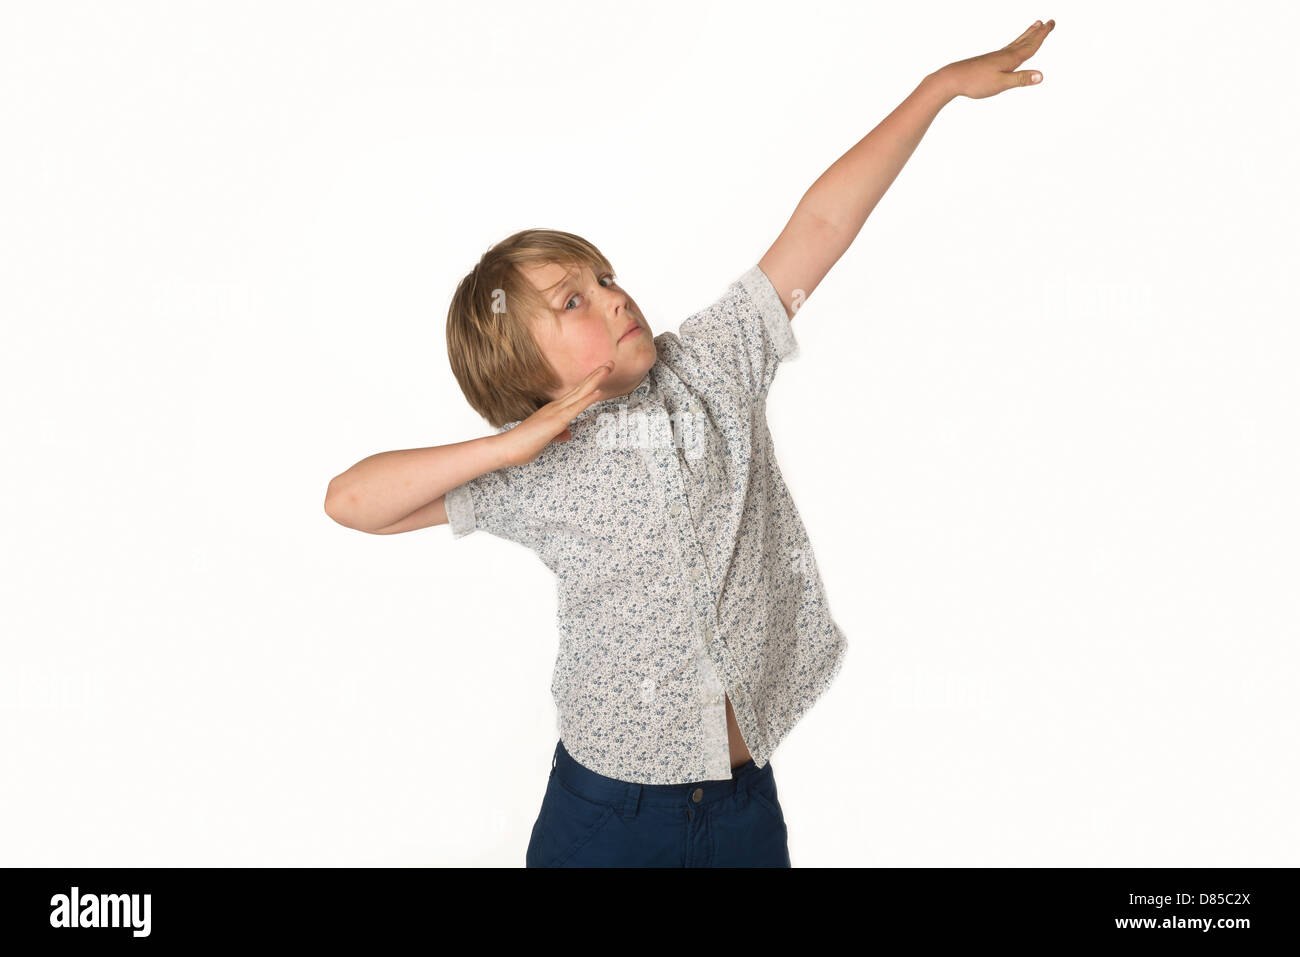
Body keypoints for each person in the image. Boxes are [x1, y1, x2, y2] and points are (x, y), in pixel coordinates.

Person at [324, 19, 1056, 866]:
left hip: (744, 806)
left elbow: (820, 222)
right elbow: (351, 501)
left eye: (605, 278)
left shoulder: (712, 360)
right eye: (573, 302)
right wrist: (509, 446)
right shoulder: (526, 473)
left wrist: (934, 91)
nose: (613, 297)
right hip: (608, 815)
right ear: (522, 366)